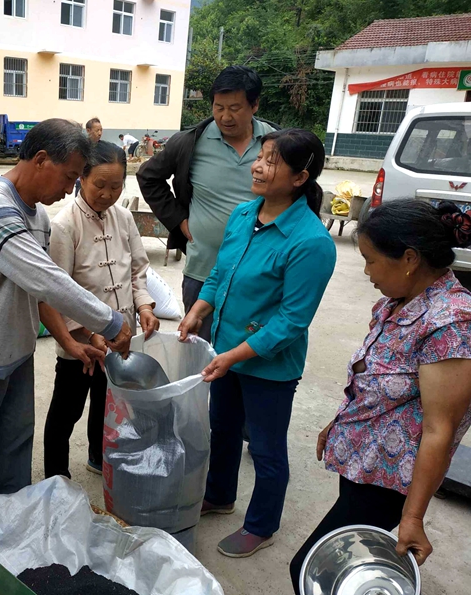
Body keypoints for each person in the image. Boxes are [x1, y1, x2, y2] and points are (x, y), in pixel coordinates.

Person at [0, 119, 132, 509]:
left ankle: (9, 521)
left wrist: (71, 338)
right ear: (40, 160)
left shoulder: (36, 216)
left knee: (15, 450)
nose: (69, 189)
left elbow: (38, 292)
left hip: (16, 356)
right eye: (69, 177)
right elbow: (48, 279)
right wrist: (111, 321)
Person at [289, 200, 471, 593]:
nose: (366, 272)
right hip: (364, 463)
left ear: (409, 258)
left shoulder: (450, 324)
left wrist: (413, 516)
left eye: (371, 261)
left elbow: (440, 429)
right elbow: (375, 379)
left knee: (310, 569)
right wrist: (339, 423)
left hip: (391, 482)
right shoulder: (399, 301)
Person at [178, 129, 336, 557]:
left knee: (265, 448)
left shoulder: (311, 242)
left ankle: (262, 524)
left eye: (271, 160)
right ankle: (220, 496)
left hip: (267, 365)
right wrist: (199, 311)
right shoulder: (244, 214)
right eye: (260, 157)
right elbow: (218, 274)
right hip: (226, 351)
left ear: (300, 178)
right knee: (222, 429)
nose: (258, 166)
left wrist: (233, 356)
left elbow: (290, 322)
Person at [44, 141, 160, 479]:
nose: (107, 194)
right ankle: (56, 474)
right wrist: (88, 333)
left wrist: (144, 307)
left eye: (116, 186)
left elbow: (138, 270)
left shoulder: (123, 218)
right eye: (99, 185)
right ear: (82, 178)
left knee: (109, 402)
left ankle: (99, 455)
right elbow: (58, 289)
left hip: (120, 336)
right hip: (81, 341)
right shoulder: (65, 225)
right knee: (67, 410)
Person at [138, 65, 277, 341]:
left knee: (246, 353)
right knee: (198, 351)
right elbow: (148, 176)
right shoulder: (192, 142)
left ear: (255, 104)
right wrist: (179, 220)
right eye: (218, 107)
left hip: (258, 274)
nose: (225, 116)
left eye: (235, 108)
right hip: (203, 271)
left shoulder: (276, 145)